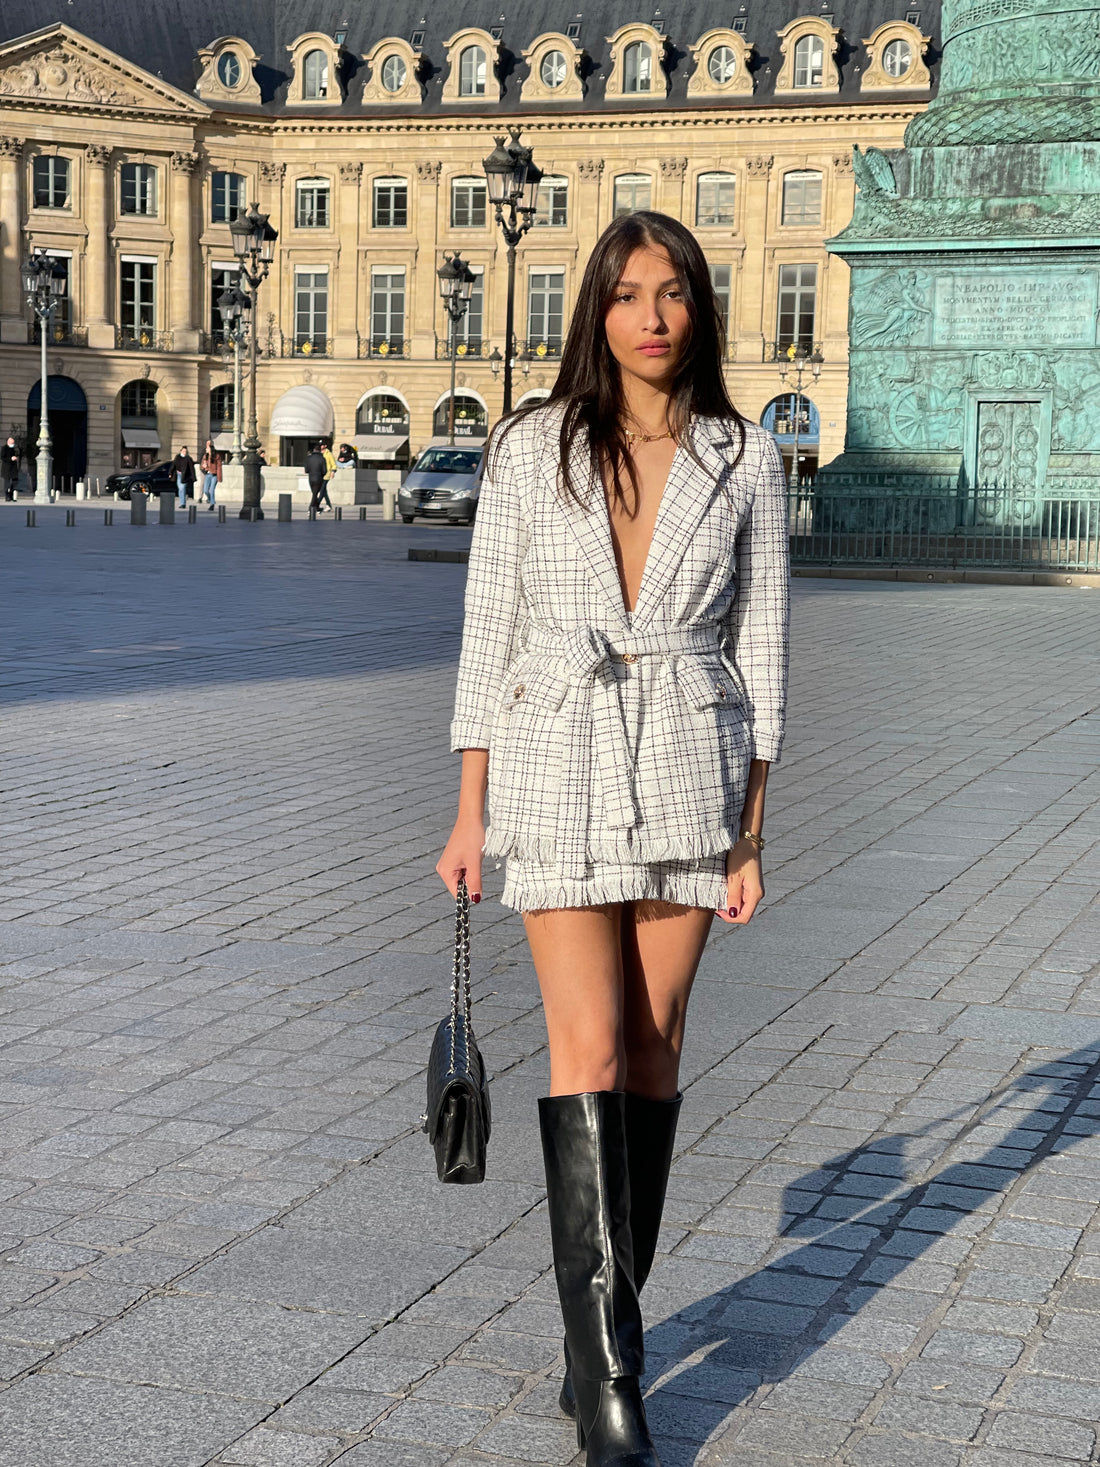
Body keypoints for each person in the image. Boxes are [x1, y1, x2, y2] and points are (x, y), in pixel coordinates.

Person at [437, 212, 789, 1467]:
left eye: (674, 292)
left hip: (691, 762)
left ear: (700, 310)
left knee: (653, 1047)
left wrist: (750, 832)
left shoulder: (743, 457)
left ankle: (608, 1324)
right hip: (554, 754)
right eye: (627, 292)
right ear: (594, 309)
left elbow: (763, 652)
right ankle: (607, 1378)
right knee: (583, 1044)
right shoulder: (533, 447)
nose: (650, 315)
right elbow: (488, 630)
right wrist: (469, 810)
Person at [304, 441, 328, 513]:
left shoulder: (309, 458)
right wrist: (321, 475)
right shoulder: (322, 459)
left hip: (311, 479)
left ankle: (317, 508)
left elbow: (306, 470)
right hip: (319, 479)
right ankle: (310, 508)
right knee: (315, 494)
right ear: (320, 451)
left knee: (314, 493)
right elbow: (324, 471)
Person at [199, 439, 222, 510]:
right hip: (207, 474)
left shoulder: (216, 456)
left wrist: (219, 477)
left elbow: (219, 467)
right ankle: (210, 499)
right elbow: (201, 465)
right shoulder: (205, 456)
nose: (206, 449)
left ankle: (212, 504)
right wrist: (203, 466)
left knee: (212, 490)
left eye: (207, 448)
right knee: (206, 490)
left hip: (214, 475)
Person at [317, 440, 336, 511]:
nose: (321, 446)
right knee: (324, 491)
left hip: (326, 475)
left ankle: (316, 504)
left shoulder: (329, 454)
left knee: (322, 490)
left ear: (325, 446)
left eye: (322, 445)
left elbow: (333, 464)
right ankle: (329, 505)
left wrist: (333, 472)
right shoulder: (318, 453)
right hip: (319, 474)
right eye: (320, 445)